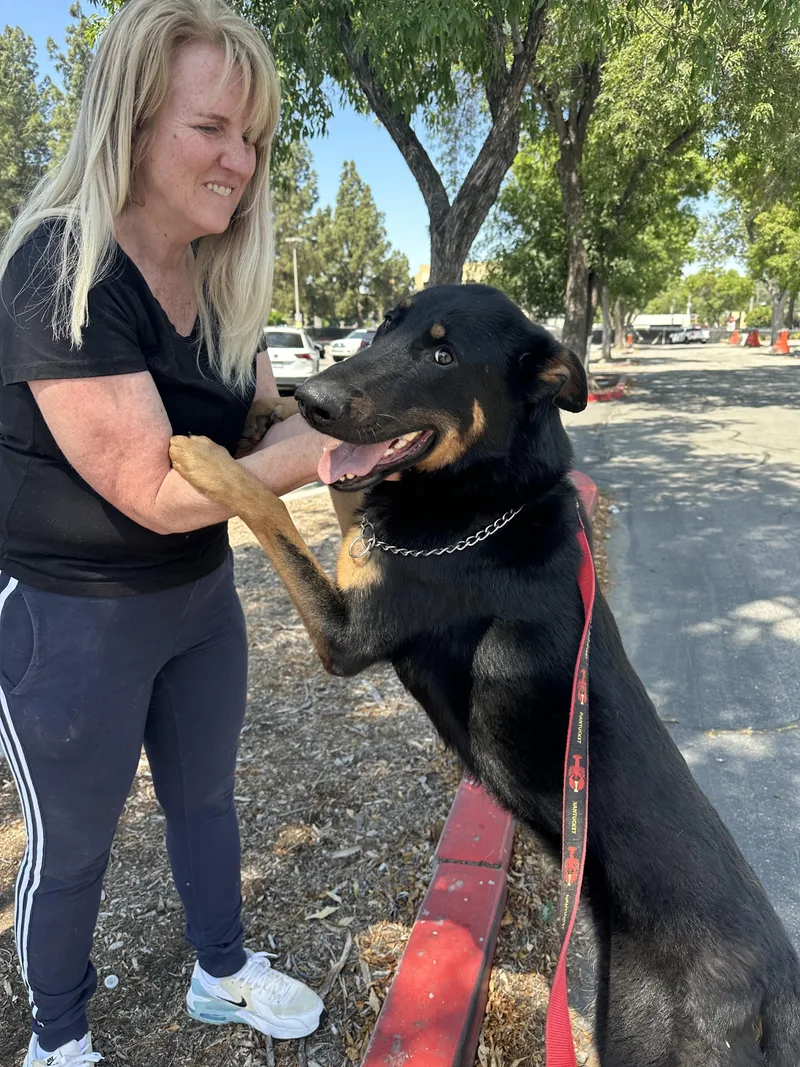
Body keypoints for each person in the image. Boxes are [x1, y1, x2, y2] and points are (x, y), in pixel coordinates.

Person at [0, 2, 335, 1063]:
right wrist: (321, 453)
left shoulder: (225, 278)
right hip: (70, 618)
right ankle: (59, 1037)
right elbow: (154, 484)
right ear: (131, 122)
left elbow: (259, 425)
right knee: (73, 846)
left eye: (254, 137)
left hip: (197, 598)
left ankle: (220, 971)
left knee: (204, 801)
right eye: (212, 128)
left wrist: (370, 420)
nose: (241, 160)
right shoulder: (59, 265)